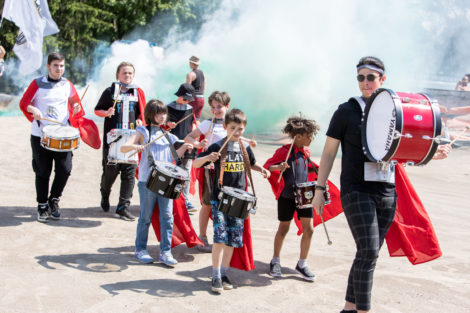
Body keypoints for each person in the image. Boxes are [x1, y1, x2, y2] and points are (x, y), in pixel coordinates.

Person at [311, 56, 451, 313]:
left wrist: (432, 152)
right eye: (360, 78)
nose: (365, 83)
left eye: (370, 77)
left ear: (382, 79)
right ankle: (364, 310)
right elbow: (329, 152)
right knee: (368, 250)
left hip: (387, 192)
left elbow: (410, 145)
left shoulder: (395, 112)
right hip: (355, 189)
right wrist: (319, 189)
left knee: (369, 253)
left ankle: (349, 307)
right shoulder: (346, 111)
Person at [193, 108, 270, 293]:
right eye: (233, 128)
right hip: (220, 200)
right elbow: (196, 163)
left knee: (232, 240)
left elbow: (251, 164)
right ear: (226, 127)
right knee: (219, 239)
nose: (237, 132)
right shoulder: (217, 146)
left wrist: (263, 170)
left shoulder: (245, 147)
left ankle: (224, 272)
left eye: (240, 129)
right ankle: (215, 275)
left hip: (239, 201)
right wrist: (207, 157)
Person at [18, 52, 98, 222]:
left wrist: (76, 107)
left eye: (61, 66)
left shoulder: (67, 84)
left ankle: (54, 200)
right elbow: (24, 103)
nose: (59, 69)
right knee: (42, 171)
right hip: (40, 134)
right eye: (55, 65)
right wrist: (34, 110)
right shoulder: (37, 83)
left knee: (65, 169)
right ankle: (41, 205)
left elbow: (75, 103)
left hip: (63, 135)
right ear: (48, 66)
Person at [120, 99, 193, 266]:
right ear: (151, 115)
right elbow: (124, 147)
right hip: (147, 181)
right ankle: (140, 249)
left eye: (164, 113)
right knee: (145, 217)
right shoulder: (142, 132)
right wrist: (135, 147)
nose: (162, 116)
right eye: (159, 113)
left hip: (166, 182)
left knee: (167, 217)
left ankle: (165, 251)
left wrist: (188, 146)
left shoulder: (167, 135)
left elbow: (176, 156)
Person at [264, 115, 320, 281]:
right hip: (287, 196)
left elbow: (308, 170)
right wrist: (279, 166)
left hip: (304, 195)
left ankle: (302, 264)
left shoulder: (306, 152)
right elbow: (268, 166)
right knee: (284, 229)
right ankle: (275, 260)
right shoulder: (283, 151)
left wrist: (319, 172)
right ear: (298, 136)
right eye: (309, 135)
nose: (312, 138)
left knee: (309, 229)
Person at [94, 62, 146, 221]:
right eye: (124, 73)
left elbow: (142, 114)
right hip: (113, 139)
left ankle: (123, 207)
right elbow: (97, 110)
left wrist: (139, 120)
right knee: (110, 172)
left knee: (129, 173)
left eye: (130, 73)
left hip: (131, 139)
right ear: (118, 75)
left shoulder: (138, 92)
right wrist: (106, 112)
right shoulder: (110, 92)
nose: (127, 76)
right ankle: (105, 192)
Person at [184, 91, 231, 252]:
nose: (216, 110)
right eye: (213, 107)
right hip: (209, 170)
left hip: (228, 170)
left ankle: (223, 238)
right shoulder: (207, 124)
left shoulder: (232, 124)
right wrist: (198, 145)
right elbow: (188, 138)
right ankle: (202, 237)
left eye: (219, 107)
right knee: (207, 204)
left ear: (227, 106)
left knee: (226, 205)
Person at [167, 83, 198, 212]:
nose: (187, 101)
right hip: (173, 144)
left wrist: (194, 140)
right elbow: (162, 123)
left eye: (189, 99)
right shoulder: (168, 107)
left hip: (188, 145)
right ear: (179, 95)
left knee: (186, 173)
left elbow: (194, 125)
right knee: (173, 171)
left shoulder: (190, 109)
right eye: (185, 98)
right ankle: (170, 198)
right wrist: (168, 124)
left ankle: (185, 200)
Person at [186, 56, 205, 121]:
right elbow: (203, 87)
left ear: (191, 63)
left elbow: (187, 89)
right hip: (202, 99)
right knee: (196, 121)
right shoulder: (202, 73)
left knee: (187, 119)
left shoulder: (190, 74)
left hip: (194, 99)